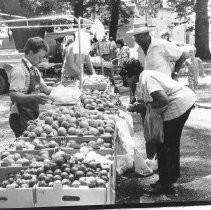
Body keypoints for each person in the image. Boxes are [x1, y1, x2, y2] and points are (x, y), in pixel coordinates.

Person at [127, 58, 197, 194]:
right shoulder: (144, 76)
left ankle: (165, 184)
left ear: (130, 74)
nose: (125, 80)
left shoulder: (146, 79)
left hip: (178, 104)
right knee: (171, 143)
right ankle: (171, 176)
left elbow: (163, 100)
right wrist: (142, 106)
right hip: (184, 100)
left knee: (163, 144)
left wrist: (144, 107)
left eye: (125, 77)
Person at [8, 37, 52, 138]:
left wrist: (64, 92)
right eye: (39, 57)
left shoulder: (34, 70)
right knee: (25, 145)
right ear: (31, 53)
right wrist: (35, 97)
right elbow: (13, 95)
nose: (41, 60)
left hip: (31, 114)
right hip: (20, 116)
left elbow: (43, 88)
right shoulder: (19, 71)